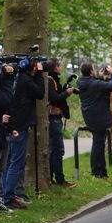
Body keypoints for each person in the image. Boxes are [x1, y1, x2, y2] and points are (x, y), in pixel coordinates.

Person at [2, 58, 45, 209]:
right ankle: (8, 197)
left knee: (9, 162)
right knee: (16, 162)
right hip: (19, 126)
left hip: (14, 124)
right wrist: (39, 74)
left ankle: (5, 194)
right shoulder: (25, 80)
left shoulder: (17, 79)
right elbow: (40, 93)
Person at [77, 63, 112, 178]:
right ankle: (96, 171)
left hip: (90, 116)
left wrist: (99, 77)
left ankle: (101, 171)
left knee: (99, 144)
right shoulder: (94, 83)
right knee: (98, 144)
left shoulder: (81, 82)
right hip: (98, 117)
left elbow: (96, 87)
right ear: (91, 71)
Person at [47, 59, 76, 188]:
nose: (60, 68)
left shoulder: (53, 80)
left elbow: (57, 94)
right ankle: (59, 180)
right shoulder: (49, 80)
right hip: (53, 118)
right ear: (55, 68)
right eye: (59, 66)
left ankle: (52, 178)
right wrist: (66, 93)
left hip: (55, 118)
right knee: (57, 150)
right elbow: (54, 98)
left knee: (54, 150)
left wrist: (64, 90)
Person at [0, 61, 14, 212]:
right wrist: (8, 79)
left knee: (0, 169)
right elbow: (7, 100)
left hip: (1, 131)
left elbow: (6, 107)